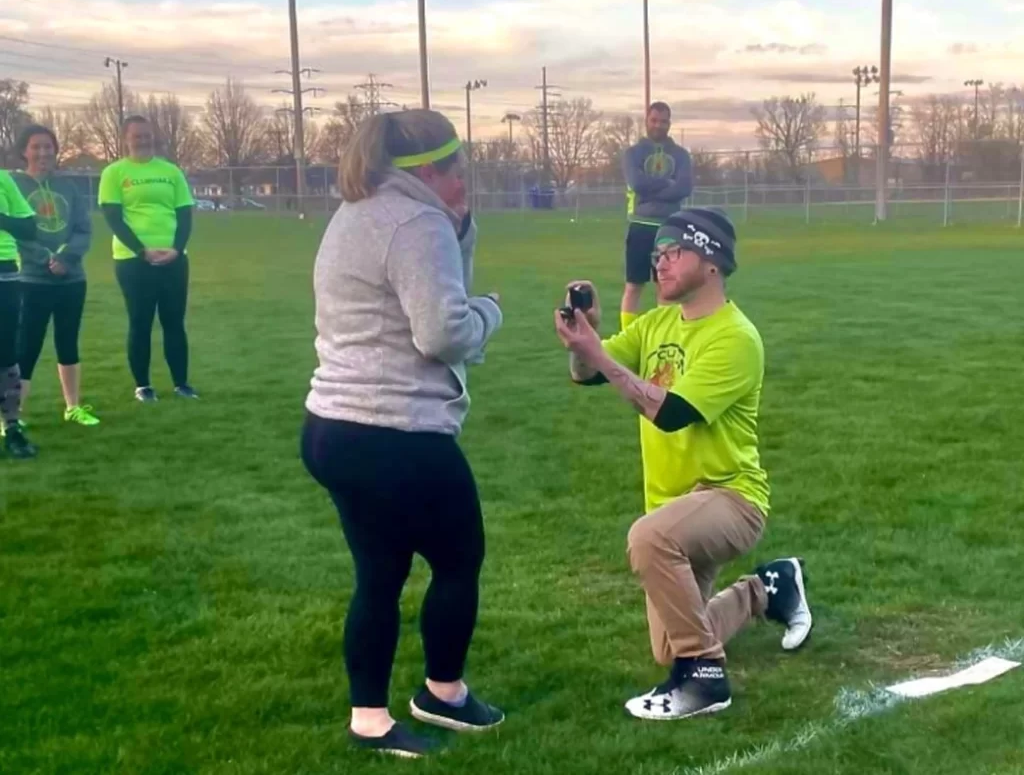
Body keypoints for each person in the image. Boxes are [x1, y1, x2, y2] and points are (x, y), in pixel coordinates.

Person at [554, 207, 812, 721]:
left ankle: (704, 682)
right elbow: (588, 375)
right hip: (675, 506)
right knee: (669, 645)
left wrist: (601, 356)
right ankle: (769, 588)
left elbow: (670, 412)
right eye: (657, 256)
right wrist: (587, 339)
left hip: (730, 498)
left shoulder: (735, 337)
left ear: (711, 261)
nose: (660, 265)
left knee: (649, 539)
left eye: (674, 253)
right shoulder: (657, 323)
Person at [301, 110, 505, 758]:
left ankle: (370, 720)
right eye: (458, 173)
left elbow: (429, 286)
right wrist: (490, 314)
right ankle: (442, 694)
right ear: (426, 171)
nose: (465, 184)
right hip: (396, 433)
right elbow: (444, 332)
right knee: (458, 560)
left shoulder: (357, 212)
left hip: (333, 428)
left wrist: (461, 232)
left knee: (380, 573)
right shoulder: (417, 223)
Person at [98, 115, 197, 402]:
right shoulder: (114, 173)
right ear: (125, 139)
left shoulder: (171, 172)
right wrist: (142, 250)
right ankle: (143, 386)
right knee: (140, 322)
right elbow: (113, 218)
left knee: (174, 321)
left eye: (147, 135)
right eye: (137, 135)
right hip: (133, 261)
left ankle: (181, 384)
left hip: (174, 259)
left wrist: (177, 249)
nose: (143, 140)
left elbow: (184, 215)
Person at [11, 125, 99, 427]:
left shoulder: (69, 188)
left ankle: (73, 406)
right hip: (31, 280)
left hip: (71, 279)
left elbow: (83, 230)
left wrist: (66, 258)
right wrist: (45, 259)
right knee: (27, 347)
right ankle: (14, 416)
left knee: (68, 342)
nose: (43, 152)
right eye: (36, 146)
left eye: (48, 146)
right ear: (25, 151)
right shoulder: (13, 185)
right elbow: (15, 231)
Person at [621, 102, 693, 330]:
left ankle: (665, 335)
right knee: (634, 286)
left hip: (670, 228)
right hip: (640, 227)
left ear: (669, 124)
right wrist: (667, 184)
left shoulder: (681, 156)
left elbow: (684, 188)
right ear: (647, 121)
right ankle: (628, 335)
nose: (658, 125)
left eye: (663, 121)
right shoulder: (632, 154)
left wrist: (654, 189)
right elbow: (638, 183)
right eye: (654, 120)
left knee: (667, 286)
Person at [0, 169, 38, 457]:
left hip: (5, 274)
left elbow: (29, 228)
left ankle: (12, 429)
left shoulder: (3, 179)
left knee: (6, 354)